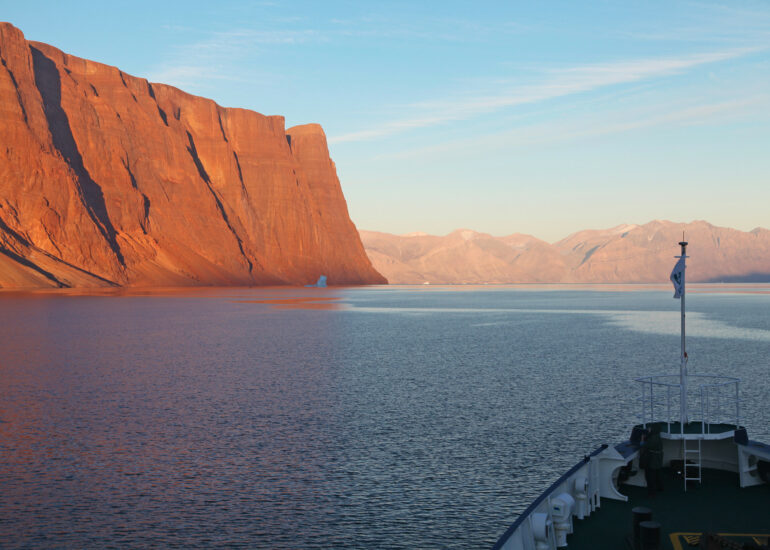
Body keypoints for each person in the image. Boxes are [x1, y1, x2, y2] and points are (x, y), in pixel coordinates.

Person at [641, 424, 664, 496]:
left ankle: (651, 493)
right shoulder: (657, 436)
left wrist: (642, 439)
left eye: (650, 428)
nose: (649, 429)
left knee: (649, 477)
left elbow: (644, 446)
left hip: (652, 459)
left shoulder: (653, 438)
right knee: (657, 474)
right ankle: (660, 488)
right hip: (657, 459)